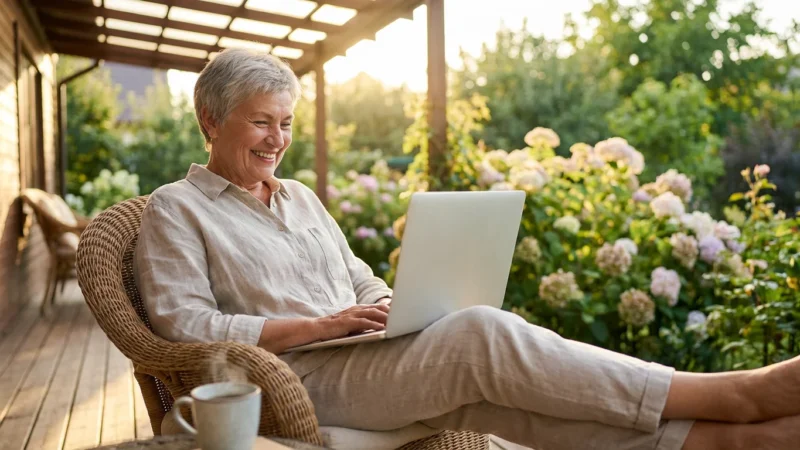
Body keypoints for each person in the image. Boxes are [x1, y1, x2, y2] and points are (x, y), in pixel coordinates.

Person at [133, 48, 800, 450]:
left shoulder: (300, 197)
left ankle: (733, 440)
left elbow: (358, 277)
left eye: (285, 123)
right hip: (297, 379)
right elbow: (188, 329)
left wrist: (388, 305)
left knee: (494, 395)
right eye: (261, 122)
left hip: (365, 358)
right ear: (211, 121)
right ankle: (734, 395)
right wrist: (318, 326)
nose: (277, 139)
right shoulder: (175, 209)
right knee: (478, 336)